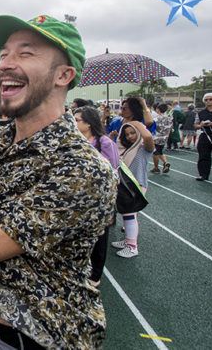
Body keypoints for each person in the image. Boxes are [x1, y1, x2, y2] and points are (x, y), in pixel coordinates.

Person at [0, 14, 117, 349]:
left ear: (63, 75)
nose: (5, 64)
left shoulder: (83, 170)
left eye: (26, 53)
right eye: (4, 54)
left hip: (37, 337)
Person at [74, 106, 119, 287]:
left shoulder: (104, 143)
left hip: (100, 200)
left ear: (89, 123)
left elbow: (114, 171)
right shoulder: (74, 140)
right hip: (79, 198)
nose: (74, 122)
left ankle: (95, 277)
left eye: (77, 120)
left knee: (100, 238)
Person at [112, 122, 155, 257]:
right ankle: (127, 241)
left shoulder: (144, 149)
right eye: (127, 134)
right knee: (126, 213)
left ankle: (132, 247)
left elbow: (148, 137)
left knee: (130, 214)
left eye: (133, 132)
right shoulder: (124, 148)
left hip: (136, 185)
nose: (130, 136)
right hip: (125, 185)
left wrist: (138, 125)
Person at [195, 93, 212, 181]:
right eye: (206, 100)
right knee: (203, 156)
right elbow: (195, 125)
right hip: (205, 135)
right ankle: (203, 175)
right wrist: (201, 125)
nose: (208, 101)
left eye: (210, 99)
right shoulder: (200, 113)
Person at [151, 103, 173, 173]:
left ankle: (156, 168)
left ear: (158, 109)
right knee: (160, 151)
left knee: (155, 153)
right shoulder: (169, 119)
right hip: (164, 138)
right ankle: (165, 163)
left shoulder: (155, 119)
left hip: (156, 138)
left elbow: (152, 128)